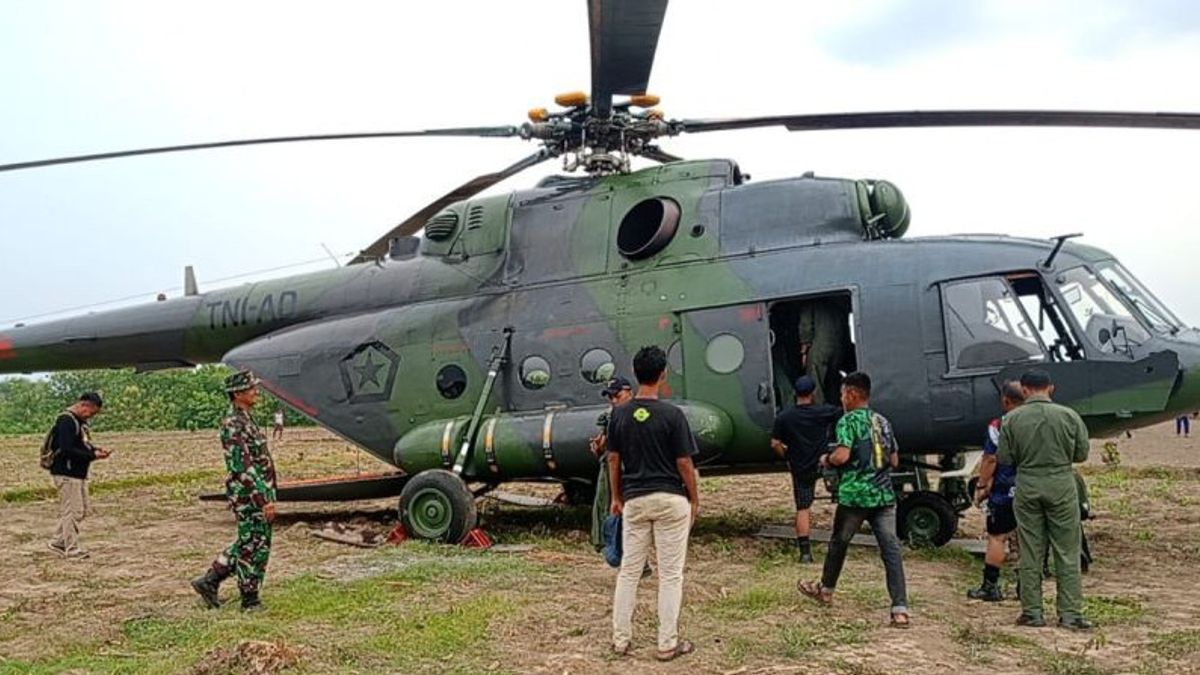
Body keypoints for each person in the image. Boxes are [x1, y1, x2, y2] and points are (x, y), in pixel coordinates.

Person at [608, 346, 700, 661]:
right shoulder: (673, 415)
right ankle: (666, 644)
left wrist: (616, 496)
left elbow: (613, 460)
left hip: (635, 501)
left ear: (635, 374)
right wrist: (694, 498)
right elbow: (684, 463)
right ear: (663, 374)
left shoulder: (619, 415)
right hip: (671, 499)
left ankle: (620, 640)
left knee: (629, 571)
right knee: (670, 574)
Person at [799, 371, 910, 628]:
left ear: (851, 394)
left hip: (855, 497)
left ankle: (826, 590)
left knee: (839, 543)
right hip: (883, 496)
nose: (841, 399)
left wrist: (827, 459)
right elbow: (893, 460)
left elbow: (842, 455)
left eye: (842, 394)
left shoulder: (848, 421)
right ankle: (900, 609)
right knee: (891, 551)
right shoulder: (883, 421)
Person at [997, 369, 1092, 630]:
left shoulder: (1011, 419)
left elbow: (1004, 458)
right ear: (1051, 388)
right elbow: (1081, 454)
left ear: (1024, 390)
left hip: (1027, 484)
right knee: (1067, 550)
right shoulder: (1069, 416)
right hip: (1061, 483)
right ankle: (1070, 614)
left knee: (1030, 551)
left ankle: (1032, 612)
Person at [191, 370, 278, 612]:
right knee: (254, 546)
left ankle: (210, 580)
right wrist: (262, 499)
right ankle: (250, 599)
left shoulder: (246, 419)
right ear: (238, 394)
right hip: (249, 495)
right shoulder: (233, 424)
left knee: (250, 541)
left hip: (258, 492)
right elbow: (242, 466)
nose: (256, 391)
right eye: (251, 388)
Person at [770, 375, 841, 563]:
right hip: (824, 463)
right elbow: (842, 413)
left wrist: (786, 455)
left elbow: (775, 443)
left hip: (800, 467)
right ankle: (840, 542)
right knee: (843, 500)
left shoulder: (785, 417)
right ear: (813, 393)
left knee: (803, 508)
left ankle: (805, 553)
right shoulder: (823, 412)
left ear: (795, 393)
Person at [967, 381, 1024, 601]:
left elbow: (991, 458)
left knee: (997, 537)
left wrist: (982, 485)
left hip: (1004, 490)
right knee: (1027, 540)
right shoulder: (1038, 422)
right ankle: (1025, 587)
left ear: (1005, 401)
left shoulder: (998, 426)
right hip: (1032, 489)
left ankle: (990, 586)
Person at [47, 392, 112, 558]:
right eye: (92, 412)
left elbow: (80, 444)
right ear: (84, 405)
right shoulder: (66, 421)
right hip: (67, 473)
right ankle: (72, 549)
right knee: (71, 511)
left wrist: (94, 450)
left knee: (81, 511)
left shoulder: (78, 422)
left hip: (77, 473)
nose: (91, 416)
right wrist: (92, 456)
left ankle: (58, 541)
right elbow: (67, 449)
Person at [589, 376, 634, 551]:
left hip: (630, 471)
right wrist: (599, 448)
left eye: (618, 395)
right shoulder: (609, 416)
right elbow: (607, 449)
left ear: (629, 392)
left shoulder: (636, 414)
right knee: (605, 505)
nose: (614, 400)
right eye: (611, 397)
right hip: (610, 469)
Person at [798, 297, 849, 405]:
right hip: (838, 348)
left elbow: (806, 326)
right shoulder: (837, 304)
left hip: (819, 348)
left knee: (816, 384)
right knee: (833, 382)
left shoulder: (810, 301)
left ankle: (819, 413)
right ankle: (834, 408)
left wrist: (804, 350)